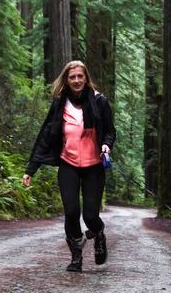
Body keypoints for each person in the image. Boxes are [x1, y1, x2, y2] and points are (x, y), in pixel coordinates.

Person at [22, 60, 116, 272]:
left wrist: (106, 145)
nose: (76, 81)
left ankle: (98, 234)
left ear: (86, 78)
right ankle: (76, 257)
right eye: (72, 77)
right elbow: (46, 136)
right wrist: (31, 169)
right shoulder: (60, 104)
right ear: (66, 79)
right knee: (71, 211)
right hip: (68, 164)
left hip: (94, 166)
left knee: (90, 215)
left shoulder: (99, 101)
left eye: (80, 77)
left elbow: (110, 131)